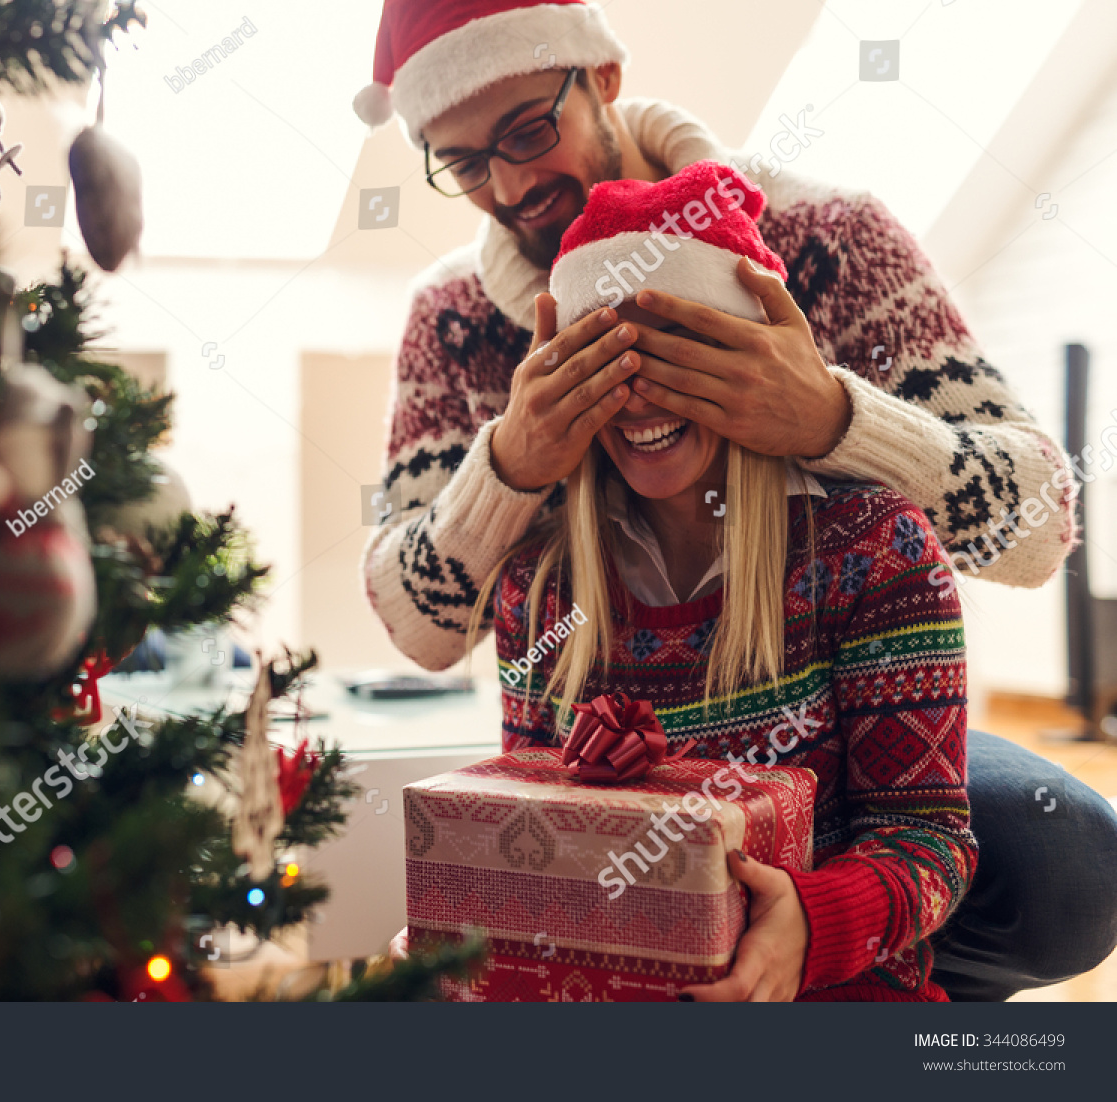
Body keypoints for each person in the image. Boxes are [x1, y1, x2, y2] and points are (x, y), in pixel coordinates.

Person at [358, 0, 1117, 999]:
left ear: (606, 79)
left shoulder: (830, 238)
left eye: (529, 131)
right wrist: (511, 464)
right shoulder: (451, 322)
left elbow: (1039, 522)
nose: (505, 187)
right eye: (459, 163)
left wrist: (836, 422)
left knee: (1058, 858)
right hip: (617, 722)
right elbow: (418, 629)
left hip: (834, 713)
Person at [485, 161, 974, 1001]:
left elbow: (928, 841)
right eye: (605, 360)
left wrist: (811, 926)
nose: (639, 400)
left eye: (679, 355)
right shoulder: (539, 588)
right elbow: (539, 835)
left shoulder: (874, 550)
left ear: (747, 360)